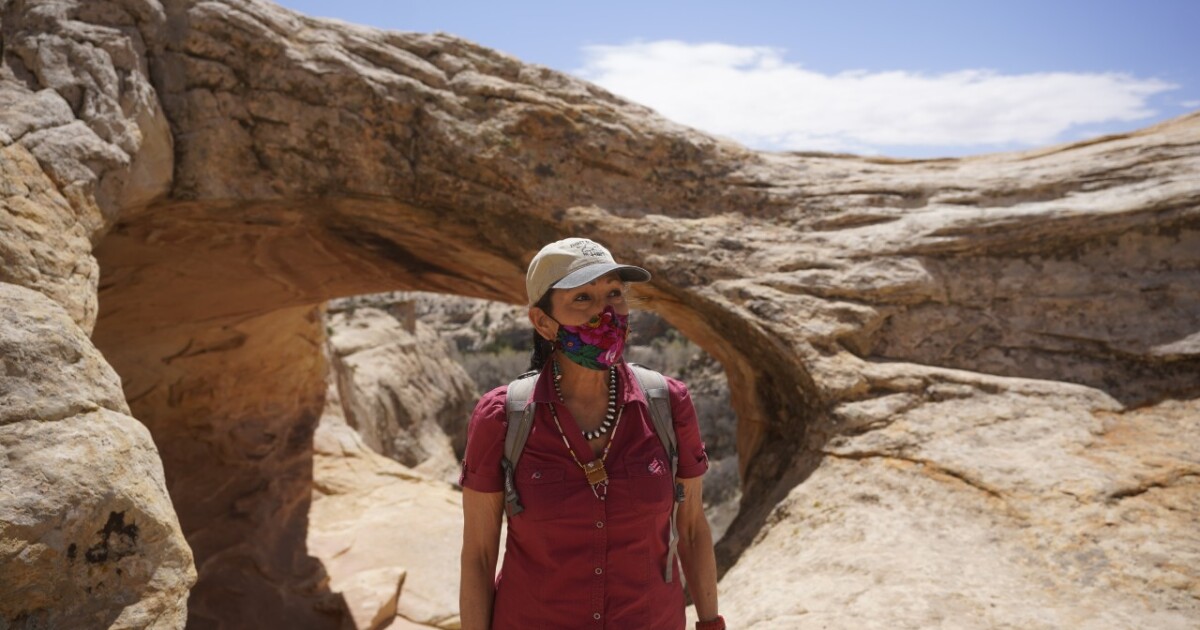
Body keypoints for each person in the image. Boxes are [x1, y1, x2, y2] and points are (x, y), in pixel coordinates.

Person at [459, 238, 725, 629]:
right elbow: (480, 555)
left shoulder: (667, 403)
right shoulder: (503, 417)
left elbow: (692, 529)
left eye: (614, 293)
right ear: (543, 322)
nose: (606, 312)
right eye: (582, 298)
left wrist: (711, 624)